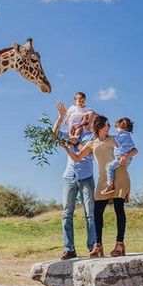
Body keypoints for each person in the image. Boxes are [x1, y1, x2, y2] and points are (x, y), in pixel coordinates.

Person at [60, 115, 137, 258]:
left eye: (109, 124)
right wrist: (66, 147)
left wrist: (127, 155)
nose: (108, 127)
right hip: (103, 179)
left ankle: (120, 245)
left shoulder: (115, 139)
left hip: (119, 174)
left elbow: (134, 150)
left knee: (118, 209)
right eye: (106, 124)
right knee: (97, 212)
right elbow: (77, 158)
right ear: (99, 126)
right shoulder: (92, 143)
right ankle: (98, 245)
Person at [53, 101, 96, 260]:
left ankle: (93, 247)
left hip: (86, 178)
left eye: (88, 116)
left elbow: (87, 153)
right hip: (69, 177)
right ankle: (69, 248)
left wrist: (73, 142)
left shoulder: (93, 137)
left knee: (90, 214)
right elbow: (54, 134)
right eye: (83, 115)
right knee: (66, 214)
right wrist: (60, 117)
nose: (85, 117)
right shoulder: (71, 132)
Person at [101, 117, 135, 195]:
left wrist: (106, 141)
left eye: (116, 127)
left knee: (109, 167)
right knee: (120, 171)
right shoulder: (128, 135)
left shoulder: (121, 135)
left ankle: (110, 184)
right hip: (127, 157)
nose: (116, 129)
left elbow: (115, 142)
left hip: (121, 157)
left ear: (121, 126)